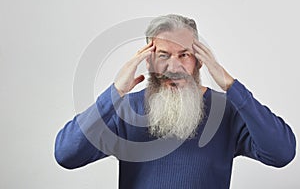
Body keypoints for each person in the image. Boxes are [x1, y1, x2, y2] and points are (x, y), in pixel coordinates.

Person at [54, 14, 296, 189]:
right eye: (163, 56)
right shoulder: (125, 109)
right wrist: (115, 92)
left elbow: (281, 153)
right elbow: (66, 155)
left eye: (184, 55)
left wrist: (230, 85)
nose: (174, 67)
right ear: (147, 62)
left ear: (199, 61)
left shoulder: (226, 111)